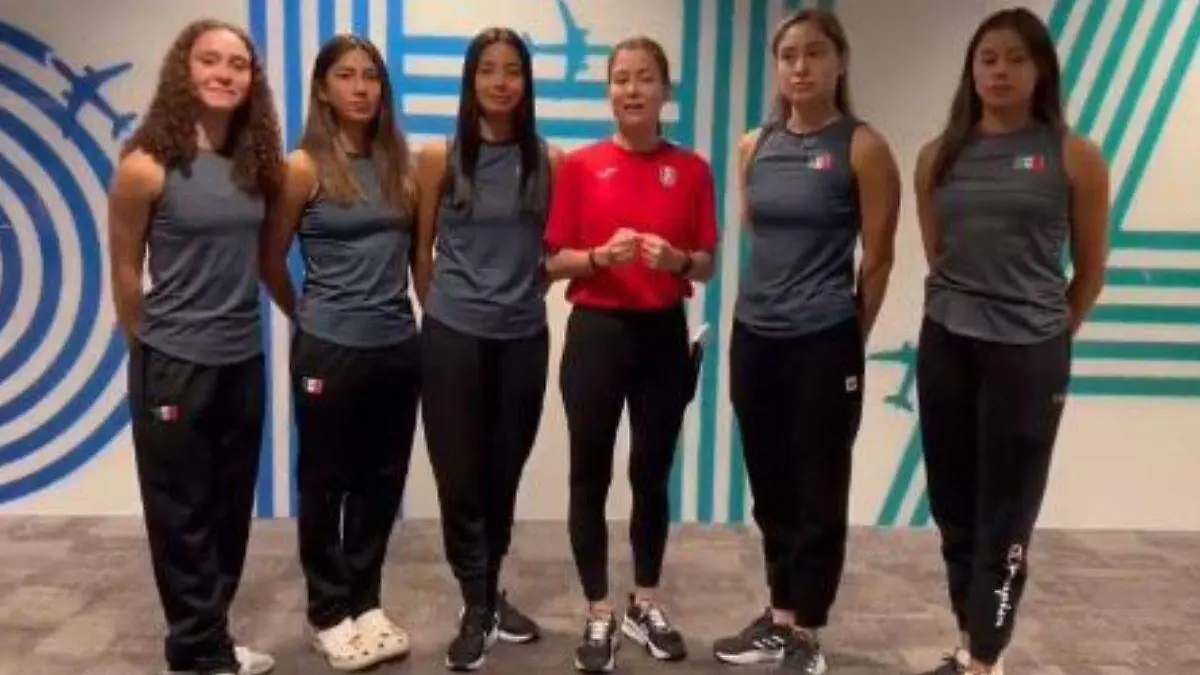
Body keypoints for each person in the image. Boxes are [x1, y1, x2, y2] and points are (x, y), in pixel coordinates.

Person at [911, 8, 1109, 675]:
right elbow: (940, 255)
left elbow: (1090, 272)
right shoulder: (937, 156)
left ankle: (983, 657)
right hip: (947, 343)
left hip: (1028, 356)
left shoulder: (1074, 156)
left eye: (1016, 59)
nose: (1000, 71)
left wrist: (1043, 337)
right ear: (971, 70)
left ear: (1041, 70)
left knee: (1006, 512)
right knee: (953, 506)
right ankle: (972, 644)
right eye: (988, 58)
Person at [712, 9, 901, 675]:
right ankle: (781, 613)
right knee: (771, 488)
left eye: (815, 53)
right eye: (788, 54)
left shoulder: (863, 147)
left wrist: (849, 337)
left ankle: (809, 633)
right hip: (755, 336)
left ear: (839, 62)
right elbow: (757, 234)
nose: (800, 66)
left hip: (824, 340)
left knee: (819, 489)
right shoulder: (752, 145)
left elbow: (879, 257)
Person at [106, 18, 283, 675]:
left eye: (237, 64)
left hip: (243, 360)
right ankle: (196, 650)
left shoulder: (254, 168)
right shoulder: (145, 167)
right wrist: (151, 354)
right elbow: (126, 272)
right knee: (180, 516)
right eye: (210, 60)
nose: (224, 74)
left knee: (228, 510)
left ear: (251, 80)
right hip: (174, 365)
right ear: (184, 69)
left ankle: (208, 639)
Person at [543, 35, 719, 675]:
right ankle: (598, 610)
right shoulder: (580, 167)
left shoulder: (692, 170)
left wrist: (678, 261)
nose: (632, 89)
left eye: (645, 78)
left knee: (651, 473)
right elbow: (551, 261)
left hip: (662, 336)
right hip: (596, 334)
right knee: (588, 473)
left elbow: (707, 262)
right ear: (609, 90)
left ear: (665, 90)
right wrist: (597, 258)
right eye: (621, 78)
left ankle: (646, 601)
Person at [258, 34, 422, 672]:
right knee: (326, 482)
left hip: (396, 346)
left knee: (382, 482)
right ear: (323, 90)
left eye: (370, 76)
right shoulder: (303, 167)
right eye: (346, 76)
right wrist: (306, 315)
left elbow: (418, 259)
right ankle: (328, 612)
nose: (361, 88)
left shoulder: (401, 167)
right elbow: (270, 258)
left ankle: (366, 601)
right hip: (329, 349)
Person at [411, 27, 561, 672]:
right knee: (460, 476)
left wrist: (525, 291)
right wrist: (444, 310)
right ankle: (476, 603)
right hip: (453, 337)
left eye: (513, 71)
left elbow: (553, 250)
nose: (501, 82)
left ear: (526, 83)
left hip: (522, 338)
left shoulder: (547, 160)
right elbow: (421, 251)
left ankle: (488, 590)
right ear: (470, 80)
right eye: (488, 70)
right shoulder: (439, 157)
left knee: (503, 474)